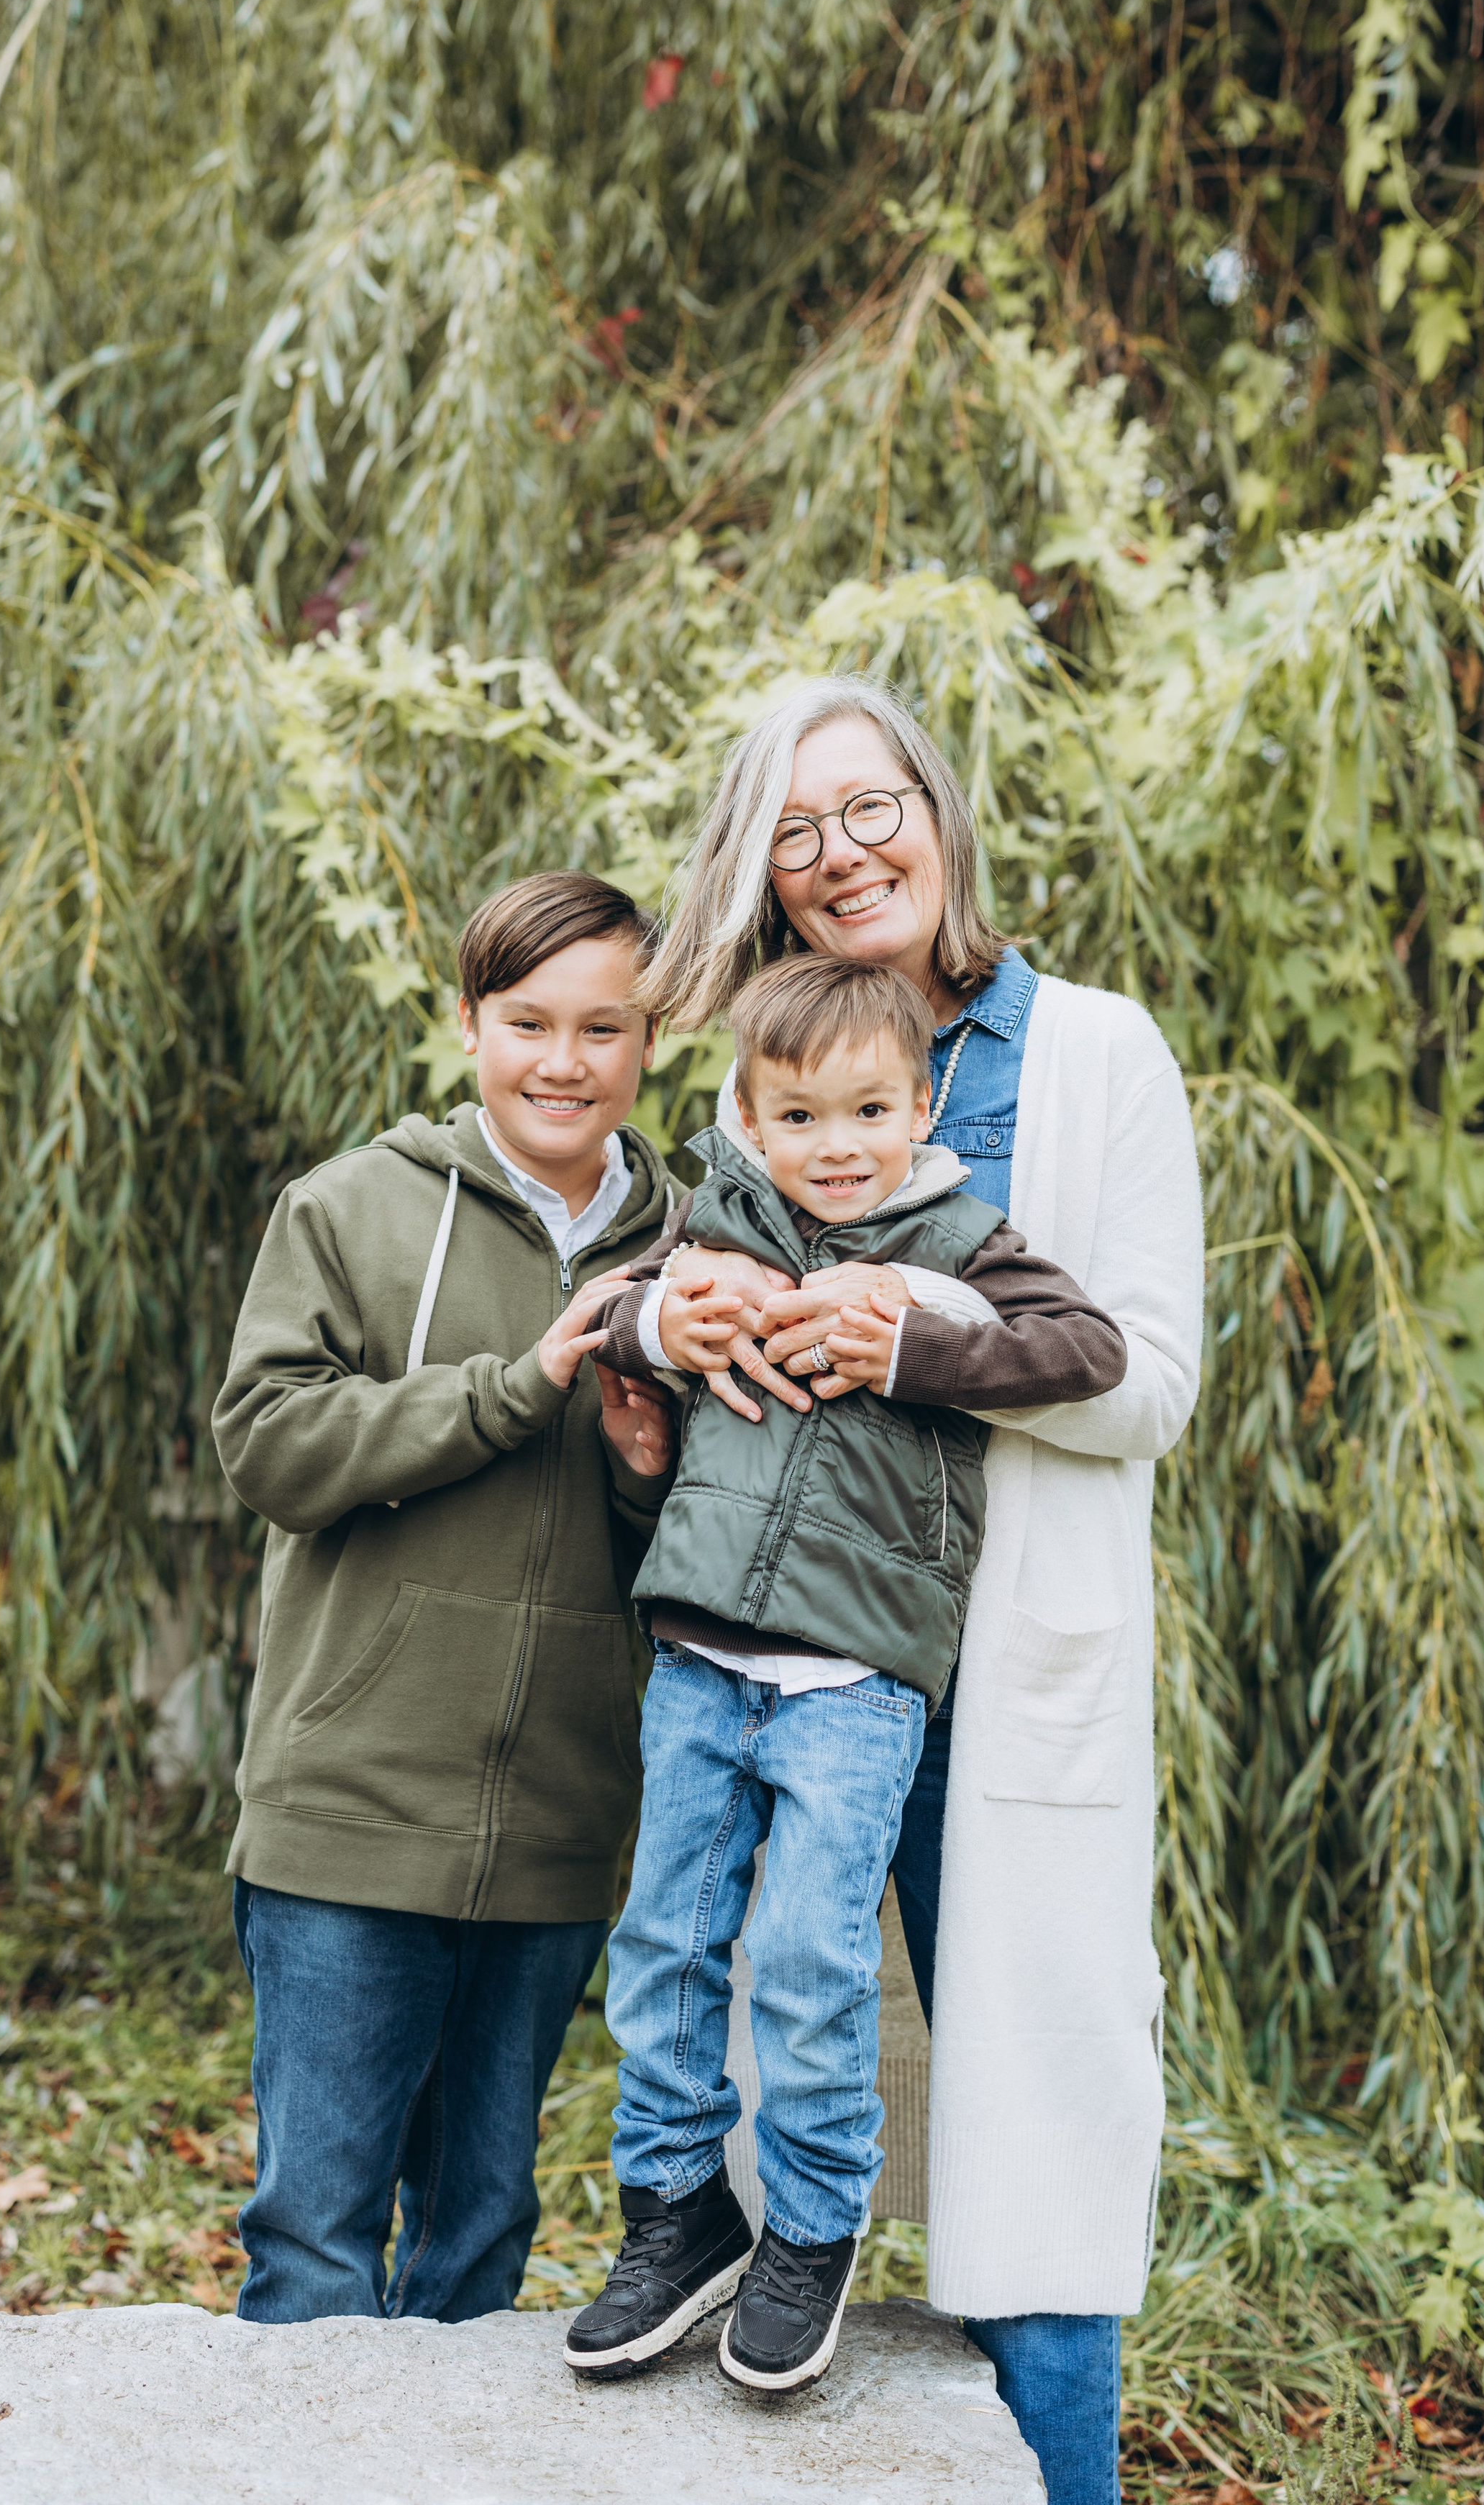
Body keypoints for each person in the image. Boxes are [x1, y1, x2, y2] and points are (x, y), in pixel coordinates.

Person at [622, 686, 1205, 2504]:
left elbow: (1149, 1382)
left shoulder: (1097, 1054)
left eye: (867, 809)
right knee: (782, 2060)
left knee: (1029, 2154)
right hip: (791, 1668)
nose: (839, 854)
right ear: (764, 883)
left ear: (938, 818)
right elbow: (675, 1264)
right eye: (792, 833)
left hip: (1002, 1687)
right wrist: (665, 1322)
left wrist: (911, 1334)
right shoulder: (769, 1056)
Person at [560, 954, 1126, 2393]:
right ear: (749, 1115)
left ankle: (811, 2226)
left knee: (811, 1960)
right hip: (696, 1650)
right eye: (799, 1117)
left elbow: (1086, 1349)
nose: (836, 1147)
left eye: (869, 1111)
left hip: (856, 1675)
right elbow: (607, 1318)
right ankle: (676, 2211)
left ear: (920, 1100)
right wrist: (668, 1316)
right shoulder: (720, 1218)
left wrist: (912, 1331)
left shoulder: (957, 1234)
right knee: (665, 1945)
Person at [211, 871, 678, 2323]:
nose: (564, 1061)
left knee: (480, 2237)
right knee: (315, 2241)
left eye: (603, 1027)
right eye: (528, 1021)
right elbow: (272, 1446)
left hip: (553, 1822)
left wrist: (646, 1467)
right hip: (349, 1812)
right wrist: (510, 1389)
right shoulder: (346, 1208)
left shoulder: (699, 1246)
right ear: (467, 1022)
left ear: (648, 1040)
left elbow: (711, 1546)